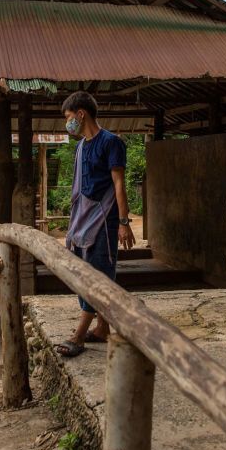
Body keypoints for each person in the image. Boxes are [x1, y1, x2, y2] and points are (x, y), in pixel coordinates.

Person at [55, 91, 135, 358]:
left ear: (81, 114)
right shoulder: (81, 147)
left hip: (104, 219)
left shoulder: (111, 143)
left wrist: (124, 222)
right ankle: (102, 328)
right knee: (86, 273)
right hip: (83, 221)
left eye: (68, 118)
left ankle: (79, 335)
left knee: (97, 274)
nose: (68, 123)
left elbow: (119, 185)